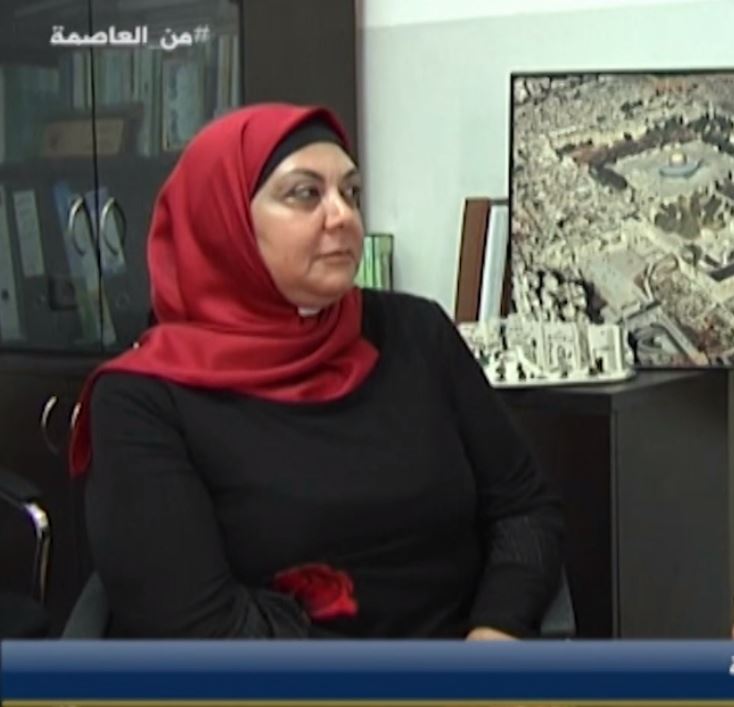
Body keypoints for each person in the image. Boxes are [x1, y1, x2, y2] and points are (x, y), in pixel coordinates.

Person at [68, 104, 564, 639]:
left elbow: (523, 508)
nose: (342, 216)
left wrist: (495, 633)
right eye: (305, 194)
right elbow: (200, 628)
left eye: (351, 193)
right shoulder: (142, 399)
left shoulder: (415, 331)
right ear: (224, 222)